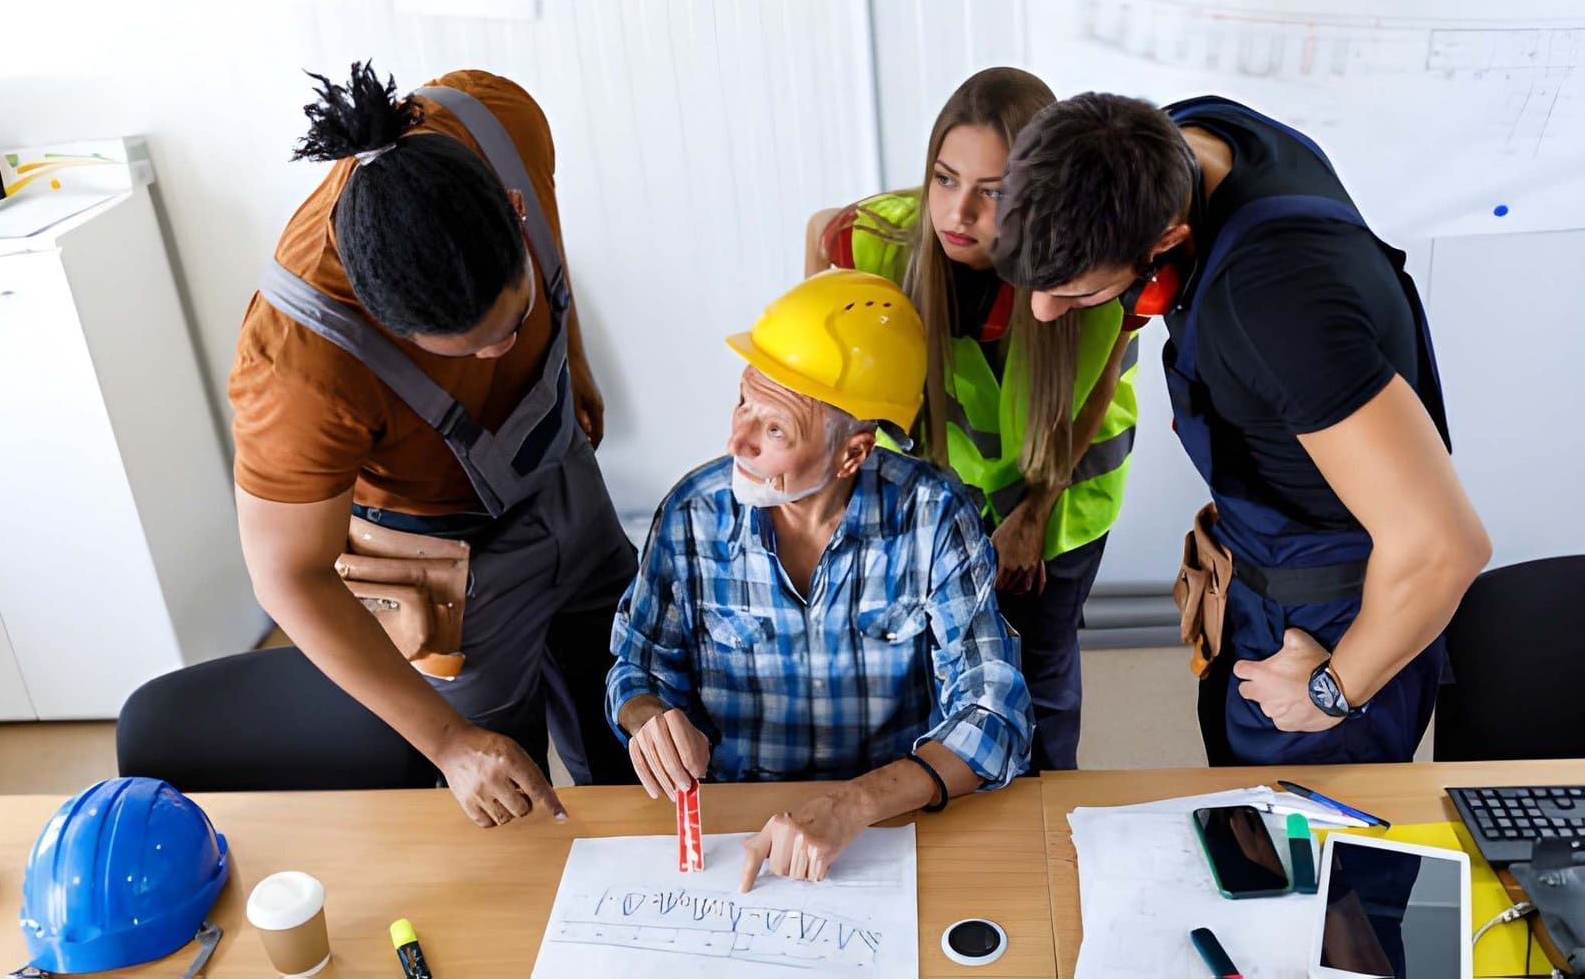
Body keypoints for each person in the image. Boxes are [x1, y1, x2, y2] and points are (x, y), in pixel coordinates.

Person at [117, 63, 636, 824]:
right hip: (443, 557)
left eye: (513, 323)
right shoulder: (295, 364)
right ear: (384, 322)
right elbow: (287, 576)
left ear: (514, 212)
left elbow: (553, 273)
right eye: (467, 348)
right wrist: (451, 742)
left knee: (619, 689)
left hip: (563, 475)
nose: (500, 354)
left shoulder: (501, 122)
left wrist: (571, 363)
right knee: (510, 780)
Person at [994, 91, 1490, 766]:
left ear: (1167, 238)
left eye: (1076, 292)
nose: (1045, 313)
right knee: (1235, 830)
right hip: (1259, 576)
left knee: (1311, 859)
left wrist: (1332, 690)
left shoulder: (1271, 308)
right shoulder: (1192, 133)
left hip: (1334, 622)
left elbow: (1444, 548)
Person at [607, 269, 1033, 889]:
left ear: (852, 454)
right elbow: (637, 669)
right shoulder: (692, 513)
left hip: (886, 825)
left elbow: (996, 712)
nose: (737, 441)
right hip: (739, 834)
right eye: (743, 403)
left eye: (774, 429)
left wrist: (853, 804)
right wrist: (647, 717)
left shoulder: (934, 515)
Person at [803, 68, 1136, 771]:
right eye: (945, 179)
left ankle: (1050, 805)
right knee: (941, 664)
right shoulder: (879, 240)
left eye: (994, 193)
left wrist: (1035, 514)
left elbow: (1096, 393)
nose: (957, 214)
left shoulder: (1088, 260)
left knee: (1035, 666)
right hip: (947, 482)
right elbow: (820, 239)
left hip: (1062, 482)